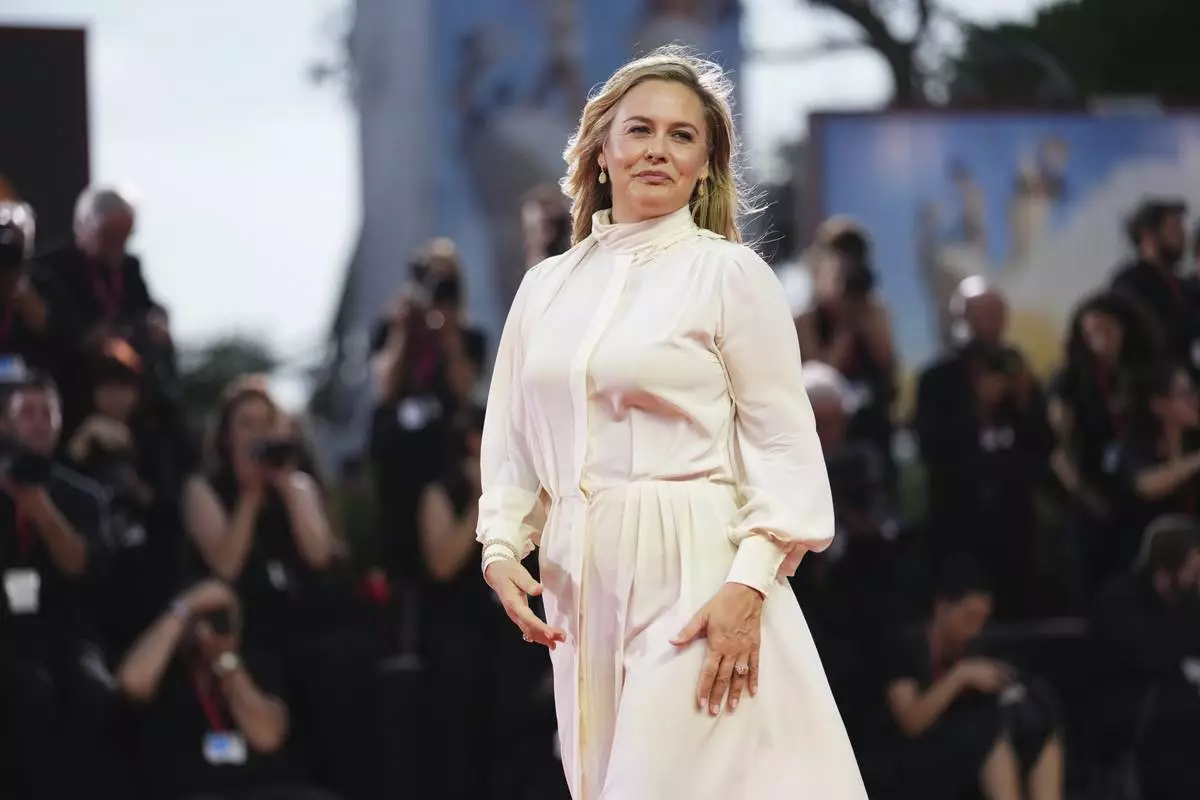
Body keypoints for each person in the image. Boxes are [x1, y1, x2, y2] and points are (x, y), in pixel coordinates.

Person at [476, 47, 865, 800]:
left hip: (699, 572)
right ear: (600, 150)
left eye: (683, 136)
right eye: (640, 129)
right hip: (578, 581)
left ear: (707, 163)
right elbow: (512, 441)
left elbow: (784, 444)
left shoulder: (728, 275)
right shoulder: (543, 288)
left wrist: (748, 587)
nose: (658, 149)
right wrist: (501, 546)